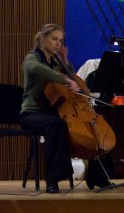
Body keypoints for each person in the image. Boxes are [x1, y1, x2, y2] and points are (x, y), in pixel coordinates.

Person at [20, 23, 114, 193]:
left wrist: (65, 62)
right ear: (43, 39)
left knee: (93, 129)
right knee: (57, 126)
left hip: (55, 112)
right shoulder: (32, 58)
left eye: (60, 40)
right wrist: (63, 78)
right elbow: (37, 69)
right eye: (54, 39)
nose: (58, 43)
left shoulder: (58, 62)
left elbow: (75, 81)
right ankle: (52, 180)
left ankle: (97, 176)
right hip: (32, 113)